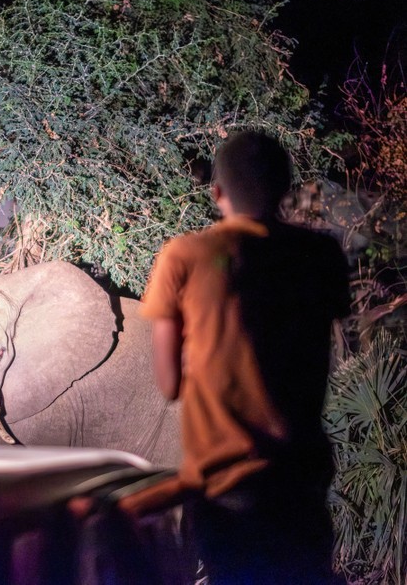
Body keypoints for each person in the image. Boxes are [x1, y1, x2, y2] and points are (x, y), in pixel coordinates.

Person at [134, 130, 351, 583]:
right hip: (302, 485)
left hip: (227, 493)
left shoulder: (184, 256)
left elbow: (169, 384)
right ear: (285, 188)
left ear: (217, 193)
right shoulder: (322, 255)